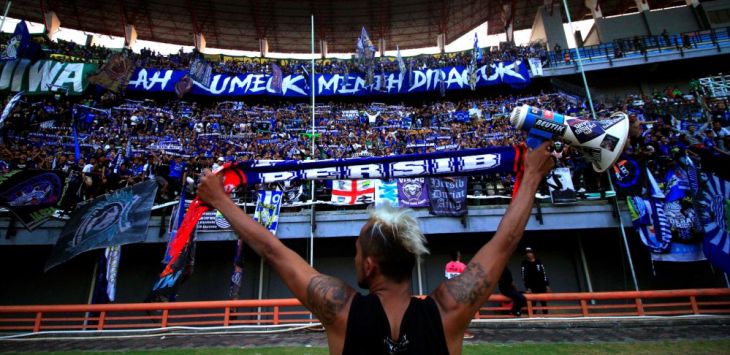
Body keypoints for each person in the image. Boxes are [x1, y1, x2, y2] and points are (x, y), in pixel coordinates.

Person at [197, 141, 555, 354]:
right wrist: (533, 176)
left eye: (356, 251)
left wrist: (220, 200)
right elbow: (505, 240)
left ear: (369, 265)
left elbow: (273, 250)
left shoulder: (340, 309)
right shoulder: (449, 311)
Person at [521, 247, 551, 314]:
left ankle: (546, 316)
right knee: (532, 303)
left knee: (543, 302)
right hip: (532, 287)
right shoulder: (524, 263)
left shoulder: (538, 261)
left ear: (533, 253)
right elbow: (524, 276)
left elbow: (544, 273)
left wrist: (547, 285)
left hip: (542, 285)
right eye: (527, 253)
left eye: (530, 253)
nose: (529, 254)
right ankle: (533, 317)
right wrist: (528, 287)